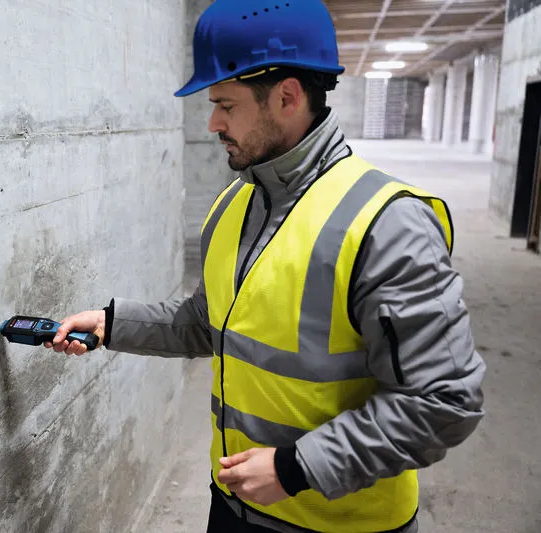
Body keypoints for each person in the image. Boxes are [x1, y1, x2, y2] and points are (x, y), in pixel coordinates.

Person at [45, 1, 486, 531]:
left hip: (340, 522)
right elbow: (212, 323)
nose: (212, 123)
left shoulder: (387, 224)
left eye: (226, 105)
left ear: (287, 96)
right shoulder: (235, 204)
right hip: (233, 504)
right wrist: (113, 323)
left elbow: (446, 400)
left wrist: (296, 468)